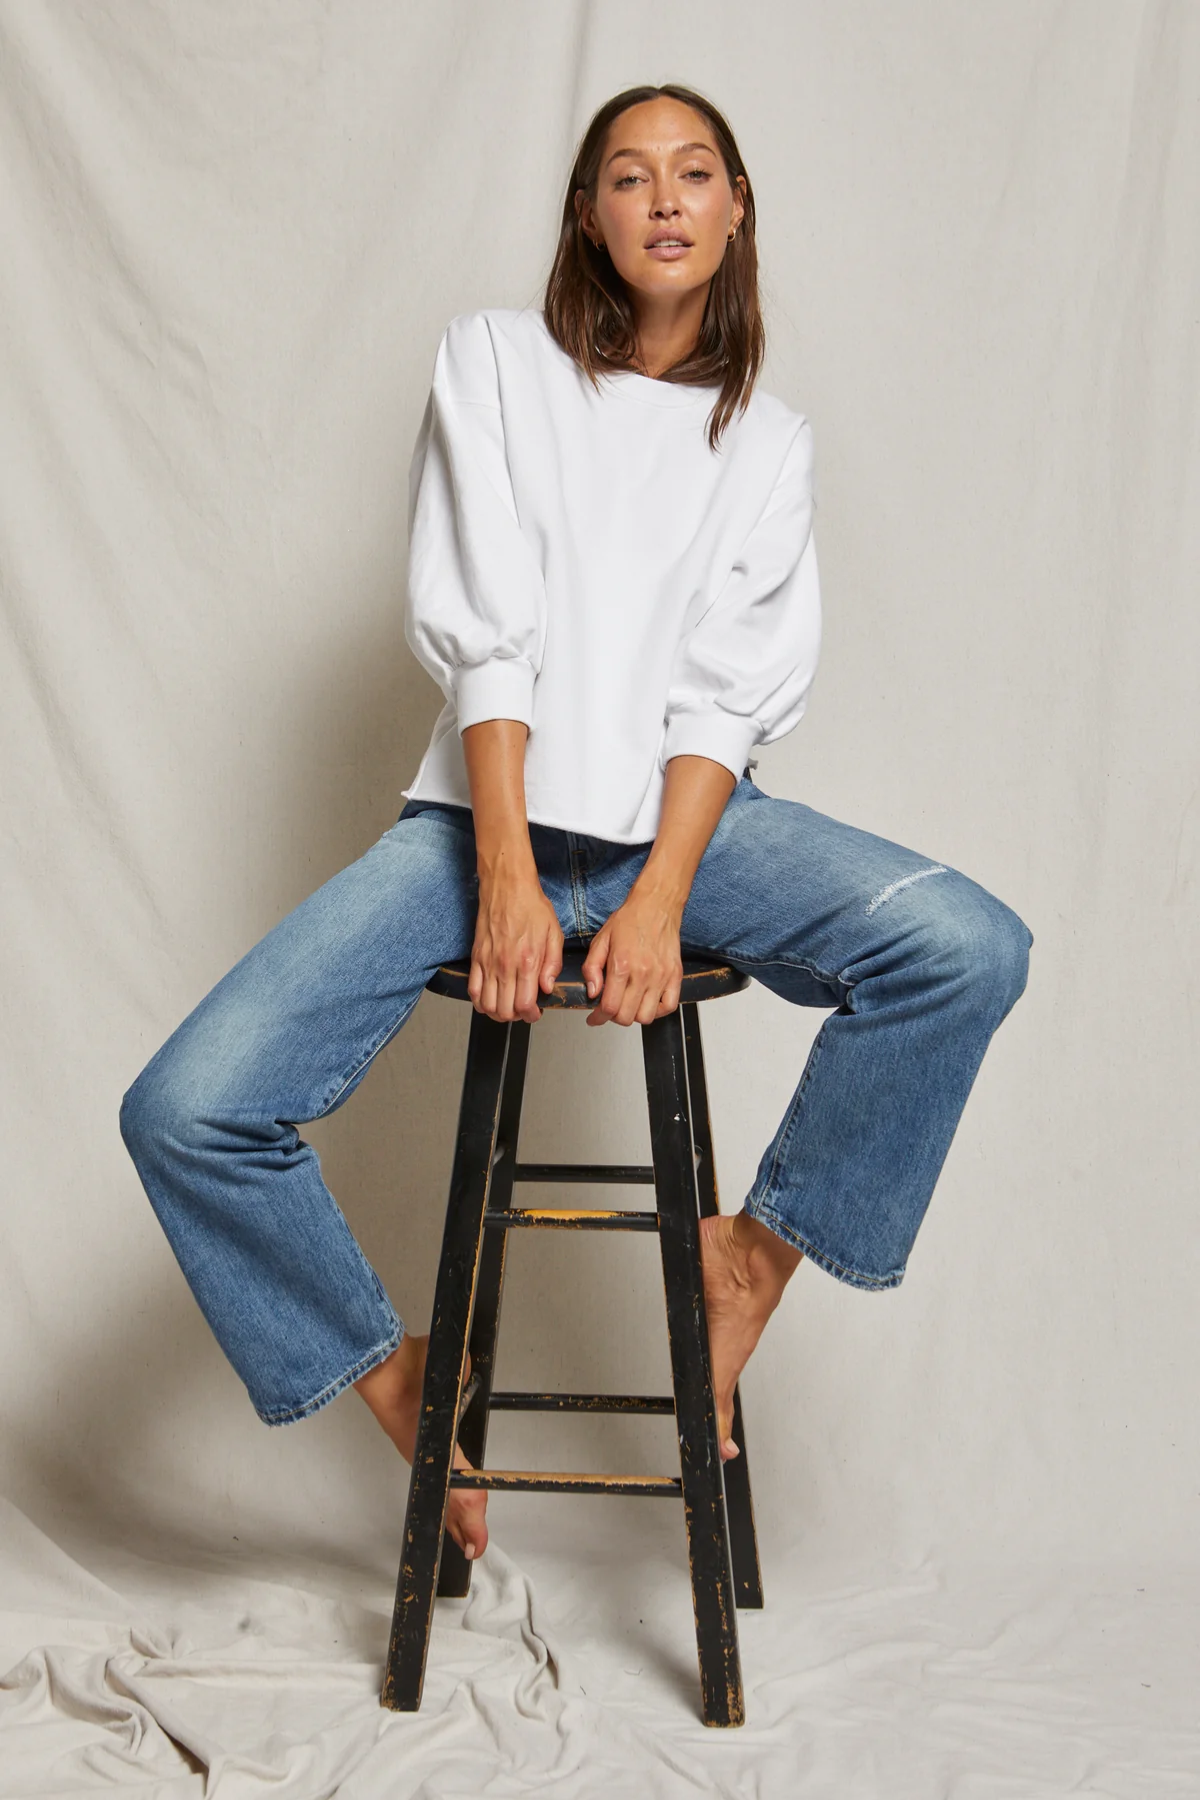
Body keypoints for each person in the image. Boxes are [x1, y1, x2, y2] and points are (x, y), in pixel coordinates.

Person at [119, 83, 1032, 1572]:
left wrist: (662, 896)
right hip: (475, 823)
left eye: (693, 173)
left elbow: (721, 705)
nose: (663, 198)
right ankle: (400, 1375)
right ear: (589, 216)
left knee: (968, 947)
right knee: (187, 1108)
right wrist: (504, 869)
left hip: (694, 830)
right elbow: (491, 636)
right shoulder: (493, 362)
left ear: (736, 208)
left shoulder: (771, 442)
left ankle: (748, 1261)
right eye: (627, 175)